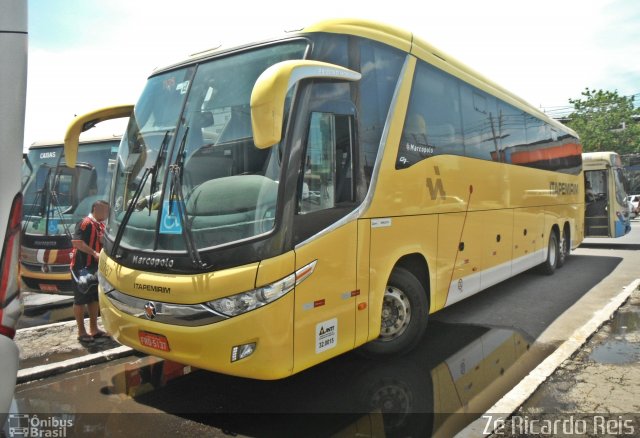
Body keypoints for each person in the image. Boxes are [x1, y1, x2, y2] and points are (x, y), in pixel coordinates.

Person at [70, 200, 109, 343]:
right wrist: (94, 253)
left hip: (95, 268)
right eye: (104, 210)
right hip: (80, 268)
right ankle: (81, 332)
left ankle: (94, 329)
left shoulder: (102, 226)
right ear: (95, 209)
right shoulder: (85, 223)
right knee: (80, 300)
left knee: (94, 298)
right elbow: (76, 242)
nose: (106, 214)